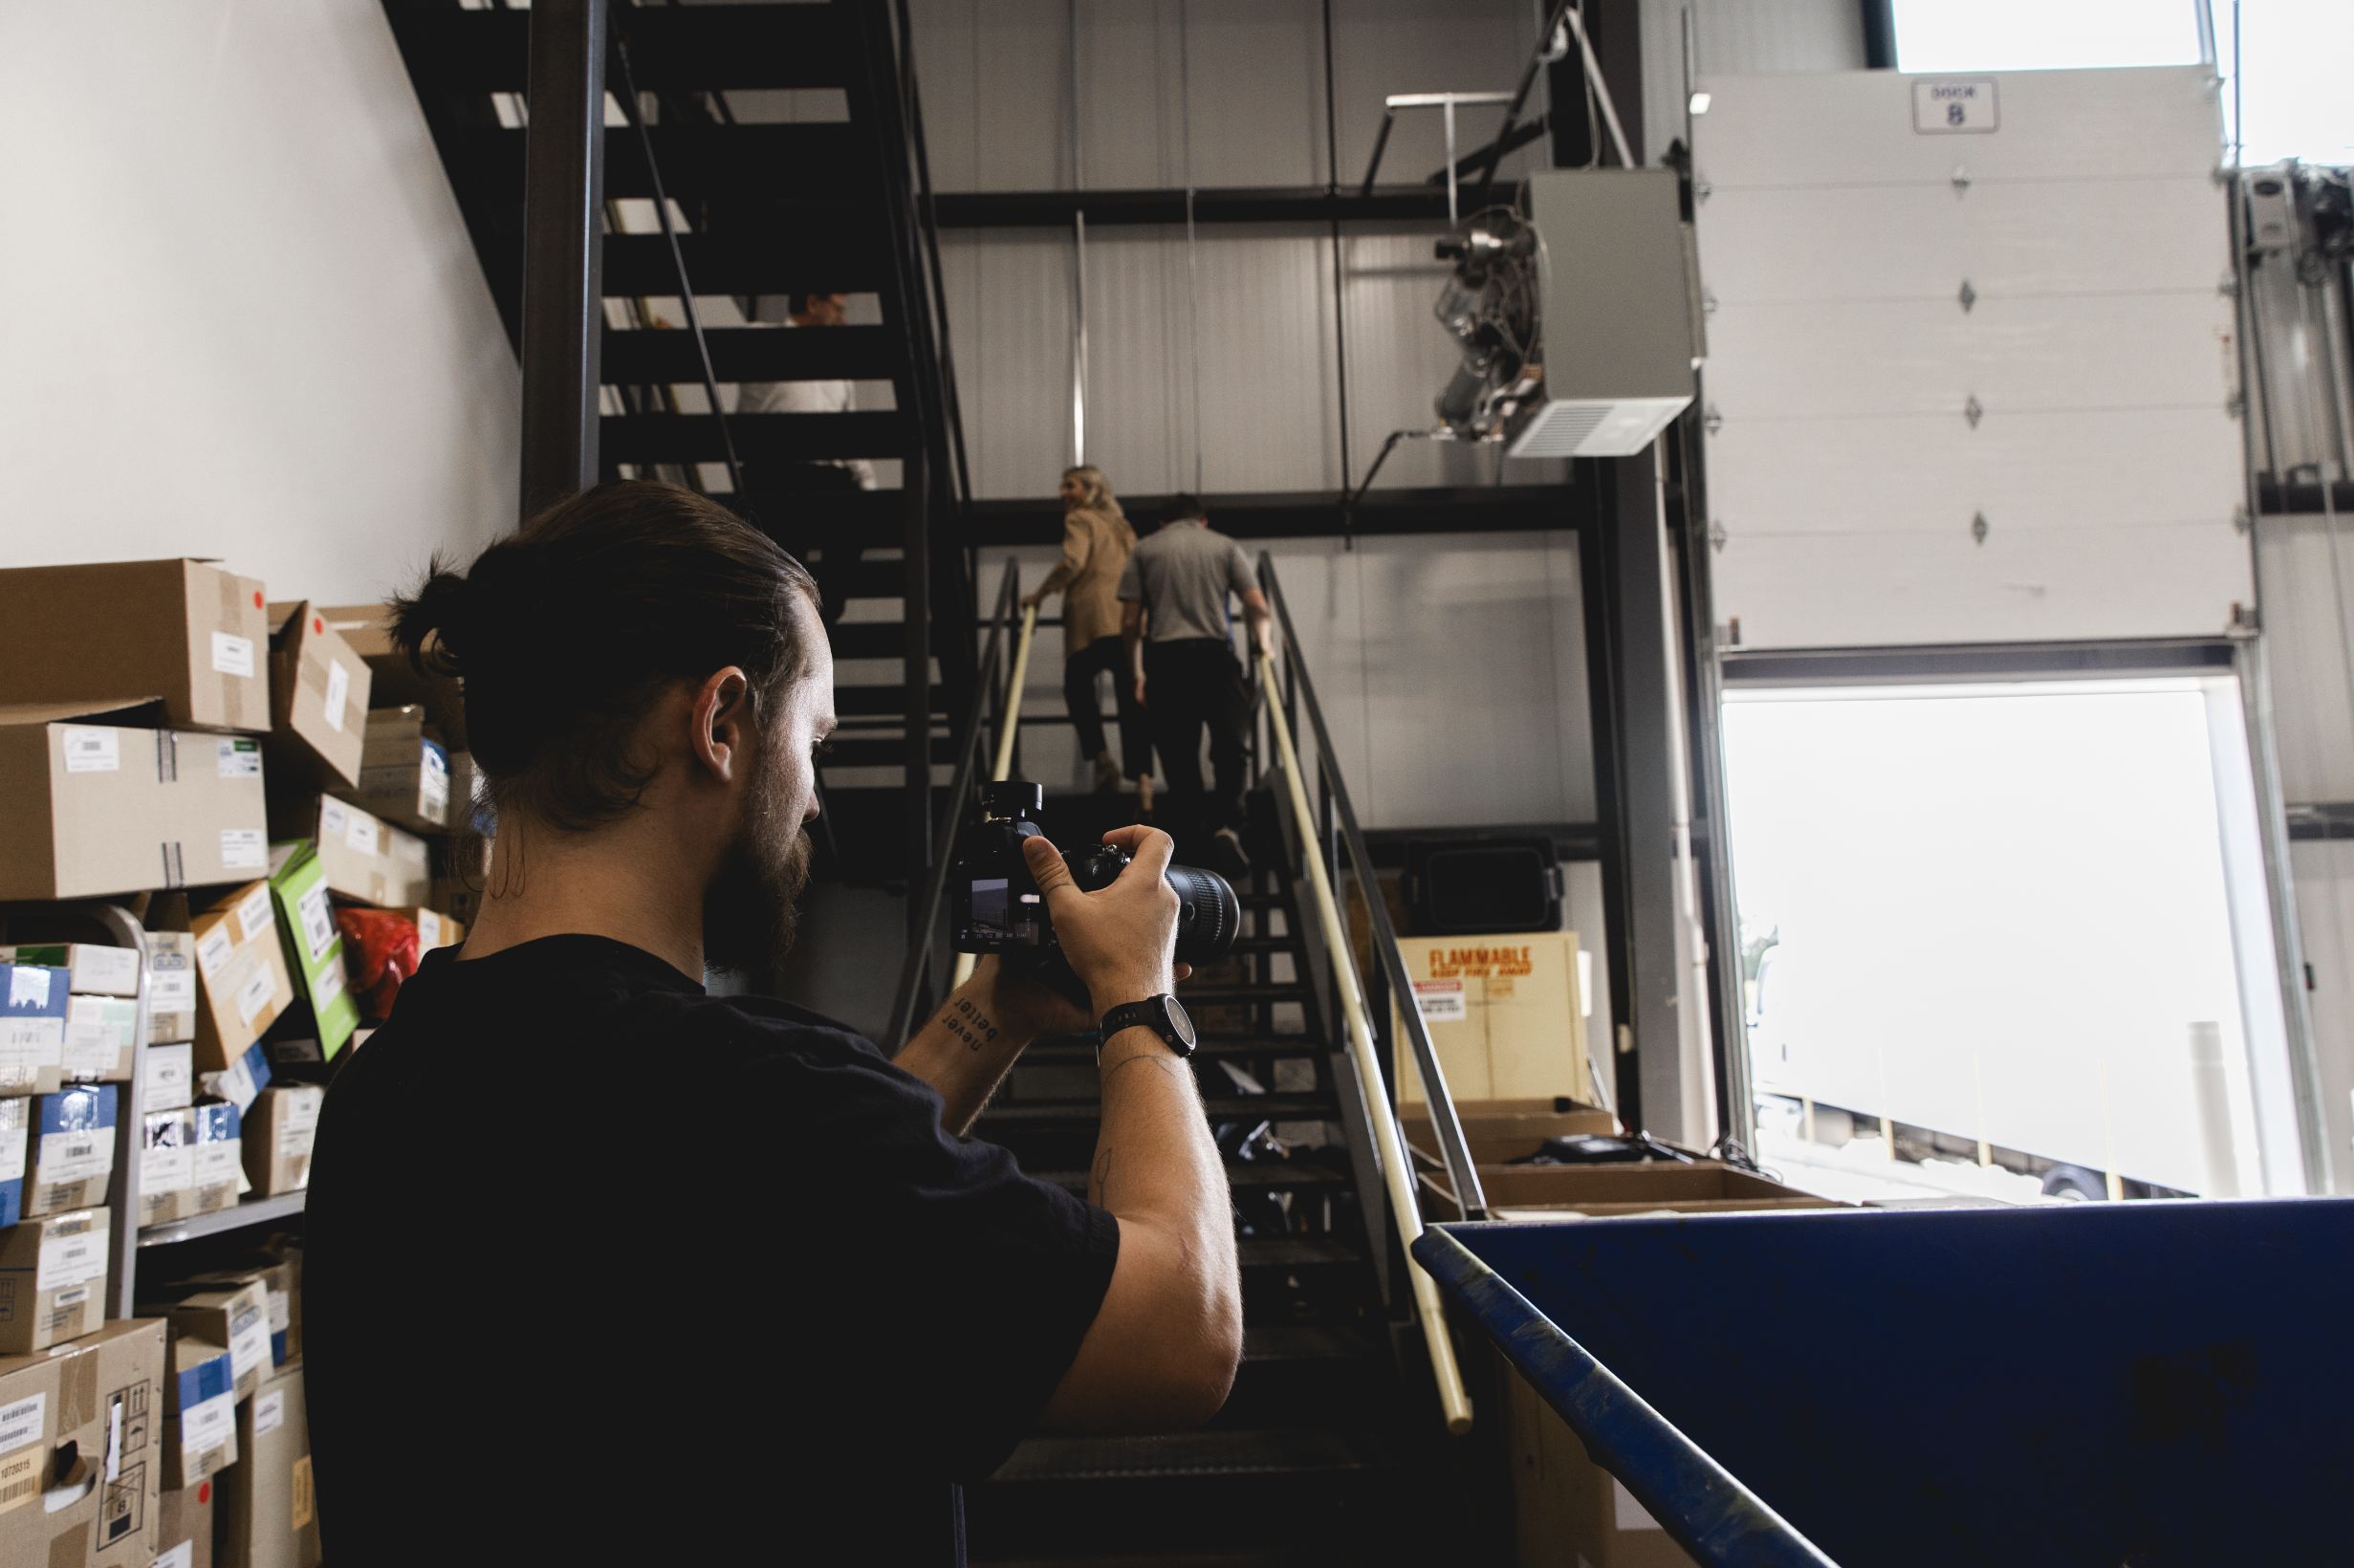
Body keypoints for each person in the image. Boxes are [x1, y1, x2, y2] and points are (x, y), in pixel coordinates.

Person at [302, 482, 1241, 1567]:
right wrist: (1137, 995)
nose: (812, 798)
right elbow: (1185, 1328)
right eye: (815, 738)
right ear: (719, 722)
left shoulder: (392, 1078)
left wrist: (994, 1007)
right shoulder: (750, 1101)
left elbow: (764, 1231)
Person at [1118, 494, 1272, 877]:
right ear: (1202, 521)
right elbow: (1256, 605)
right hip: (1216, 658)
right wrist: (1263, 643)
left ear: (1161, 523)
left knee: (1179, 756)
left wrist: (1138, 673)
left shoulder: (1145, 549)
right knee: (1231, 746)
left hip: (1166, 663)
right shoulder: (1224, 545)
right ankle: (1229, 825)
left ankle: (1192, 840)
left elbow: (1129, 623)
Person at [739, 291, 874, 621]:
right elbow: (711, 345)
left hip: (827, 474)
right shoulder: (762, 339)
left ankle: (823, 617)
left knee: (850, 523)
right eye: (837, 310)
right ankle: (790, 618)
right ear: (813, 303)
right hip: (775, 473)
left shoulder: (838, 361)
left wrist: (867, 481)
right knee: (781, 571)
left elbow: (848, 426)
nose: (843, 320)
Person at [1024, 466, 1153, 808]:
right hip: (1127, 620)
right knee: (1132, 699)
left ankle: (1104, 762)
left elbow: (1073, 562)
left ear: (1089, 489)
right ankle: (1143, 781)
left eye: (1071, 486)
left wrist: (1040, 594)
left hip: (1092, 620)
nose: (1063, 493)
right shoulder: (1122, 526)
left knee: (1076, 687)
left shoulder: (1079, 520)